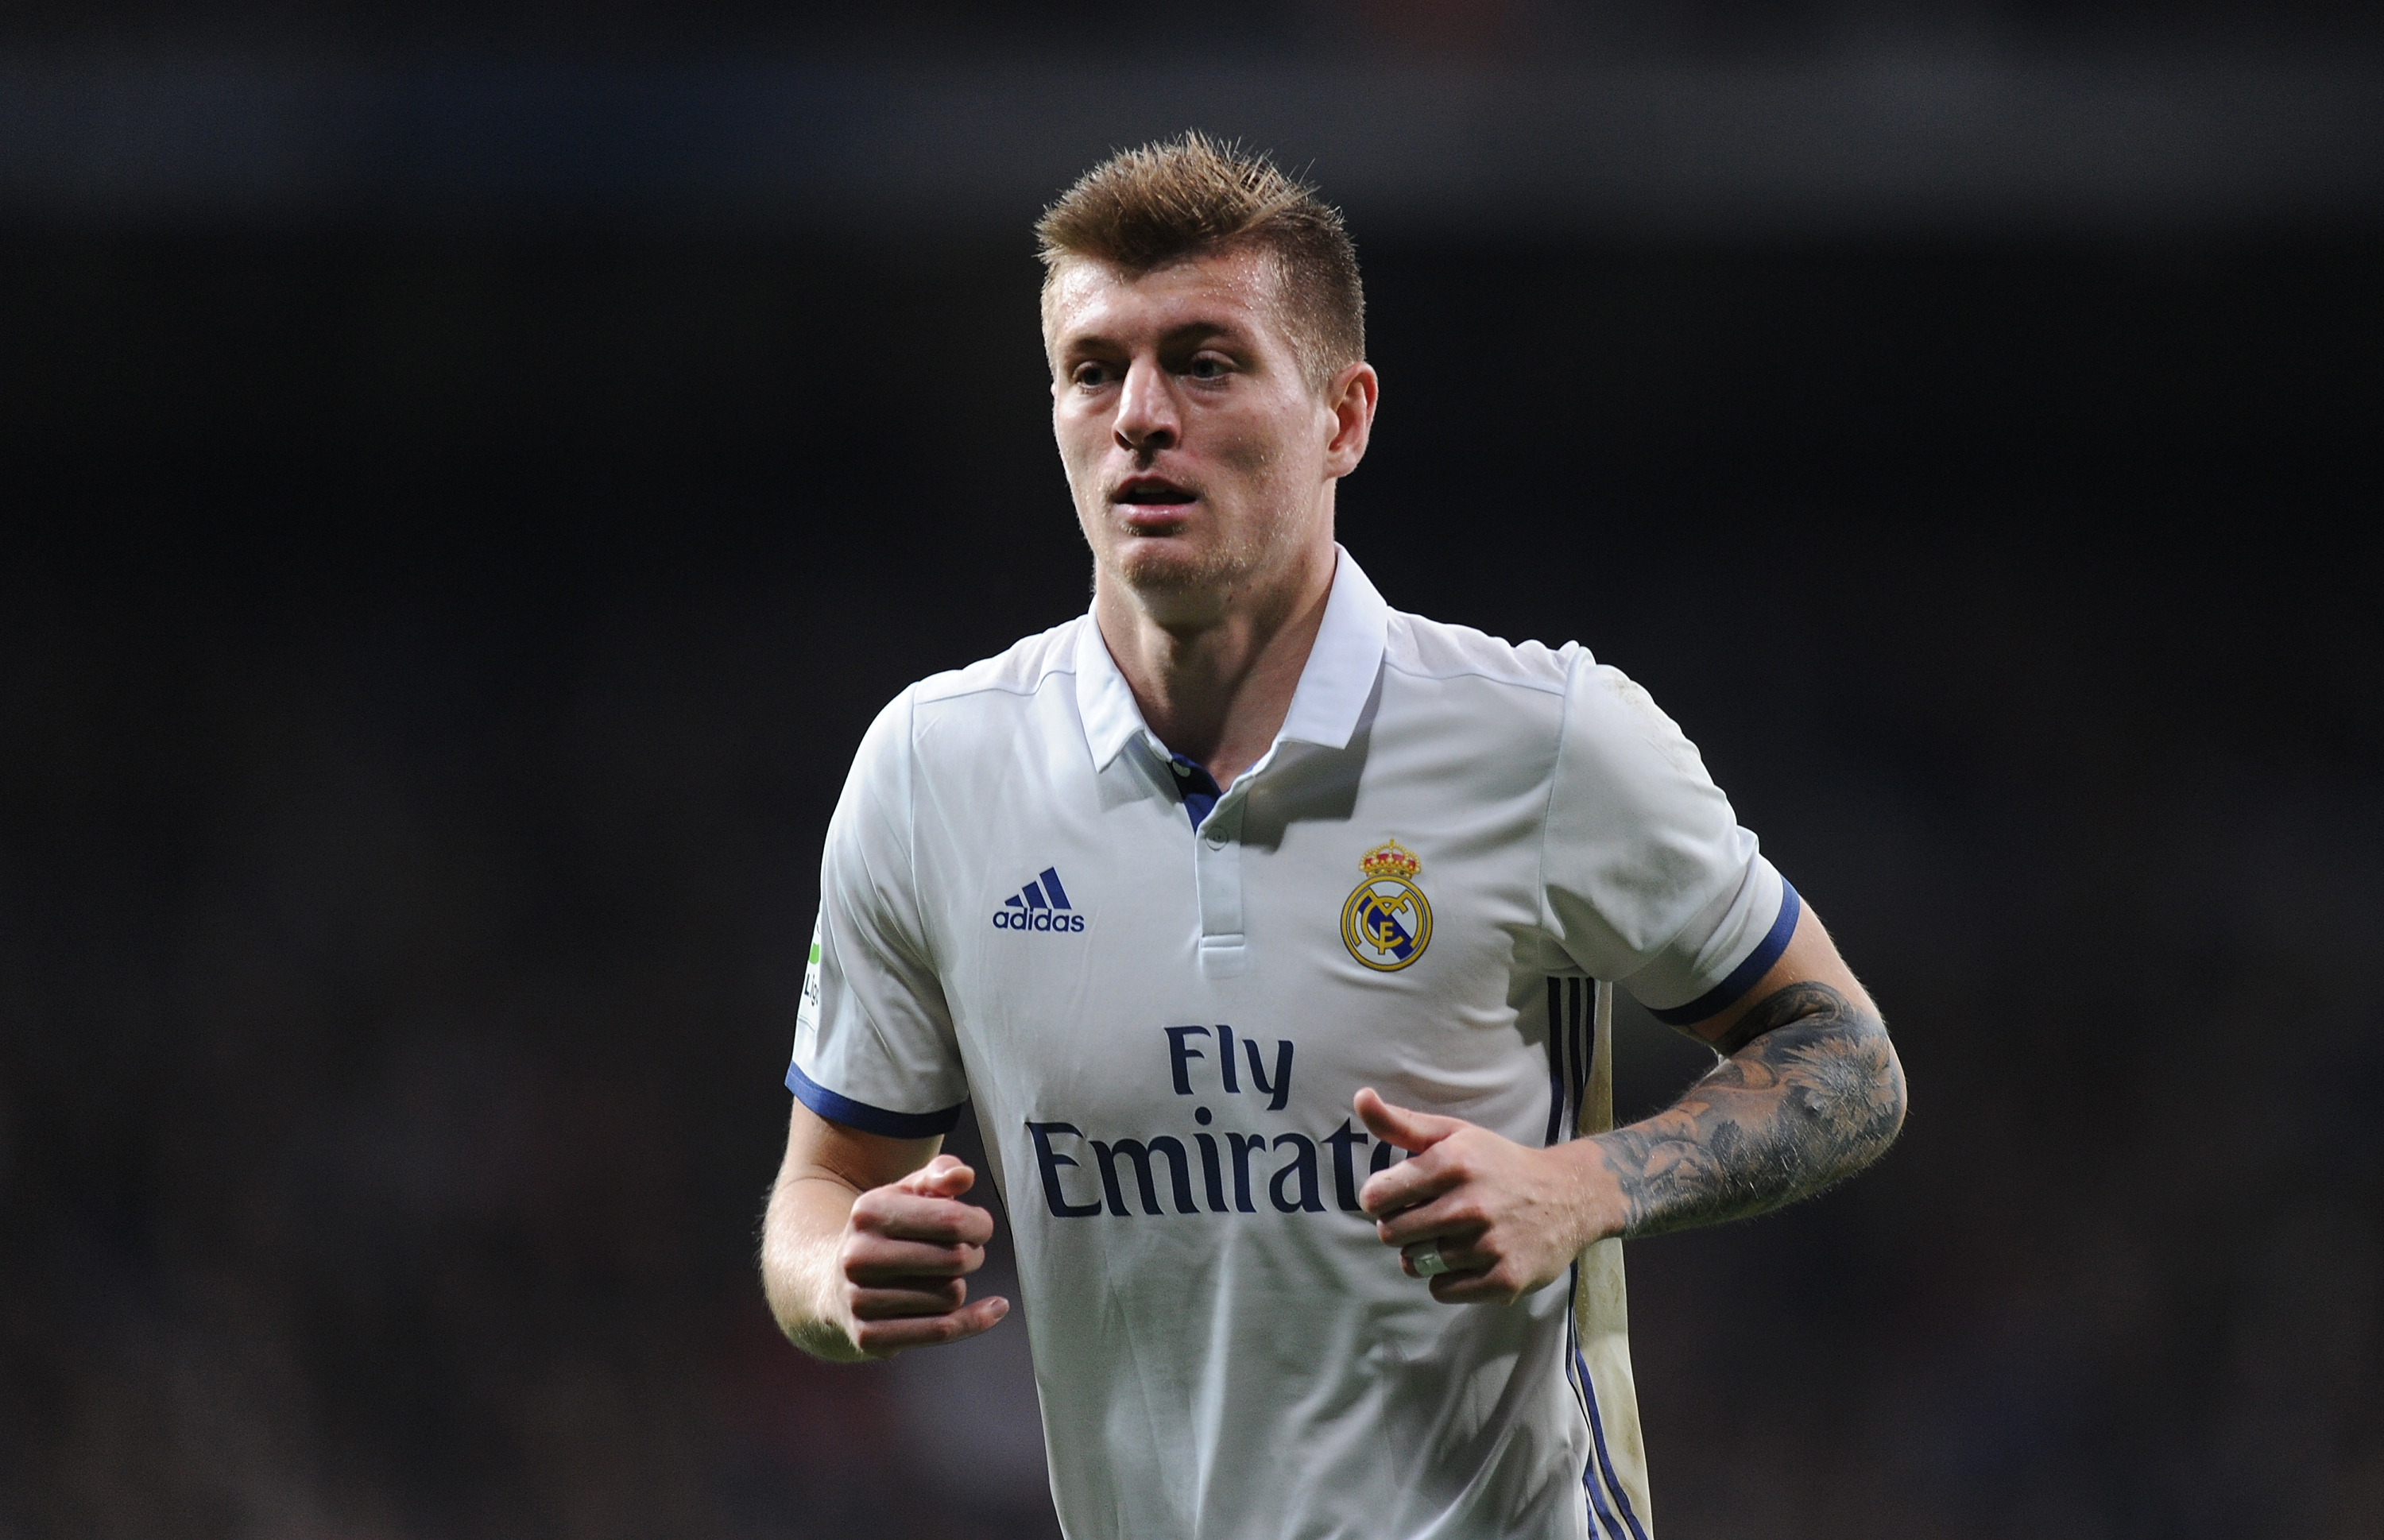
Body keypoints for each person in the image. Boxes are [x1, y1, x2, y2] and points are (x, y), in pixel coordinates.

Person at [759, 133, 1907, 1539]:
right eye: (1092, 369)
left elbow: (1846, 1061)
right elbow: (822, 1189)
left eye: (1205, 360)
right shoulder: (934, 771)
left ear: (1344, 417)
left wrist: (1578, 1185)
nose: (1137, 417)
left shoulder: (1543, 737)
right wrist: (833, 1278)